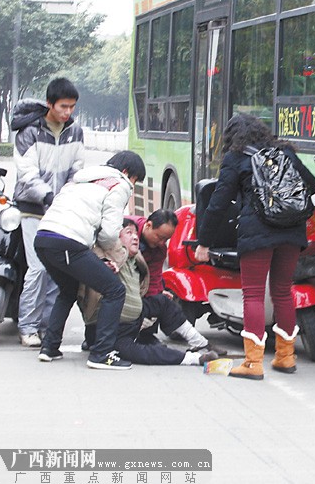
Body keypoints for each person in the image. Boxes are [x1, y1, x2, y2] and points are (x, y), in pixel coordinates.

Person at [194, 113, 315, 380]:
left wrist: (204, 242)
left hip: (257, 233)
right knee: (283, 292)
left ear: (232, 137)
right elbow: (313, 184)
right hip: (291, 231)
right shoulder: (284, 151)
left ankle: (253, 363)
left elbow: (217, 203)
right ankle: (286, 357)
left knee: (252, 294)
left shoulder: (236, 158)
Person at [34, 151, 146, 370]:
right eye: (135, 180)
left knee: (68, 290)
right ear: (126, 173)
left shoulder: (79, 179)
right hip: (68, 241)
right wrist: (114, 255)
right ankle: (102, 353)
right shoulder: (119, 184)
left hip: (44, 238)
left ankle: (49, 347)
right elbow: (109, 232)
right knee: (114, 290)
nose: (132, 186)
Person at [80, 219, 221, 366]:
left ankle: (201, 343)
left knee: (162, 301)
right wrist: (104, 263)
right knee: (140, 352)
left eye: (136, 233)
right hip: (111, 330)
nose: (135, 237)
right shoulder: (105, 255)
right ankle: (193, 359)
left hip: (133, 319)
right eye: (129, 233)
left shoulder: (136, 260)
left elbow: (150, 282)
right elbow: (96, 254)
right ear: (114, 238)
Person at [11, 77, 85, 347]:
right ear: (49, 104)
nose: (67, 112)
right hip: (32, 209)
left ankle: (47, 326)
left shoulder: (75, 132)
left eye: (72, 107)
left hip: (61, 211)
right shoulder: (29, 132)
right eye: (63, 106)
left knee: (58, 271)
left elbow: (77, 170)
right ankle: (27, 327)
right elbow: (27, 173)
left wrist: (68, 196)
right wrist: (48, 196)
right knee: (39, 268)